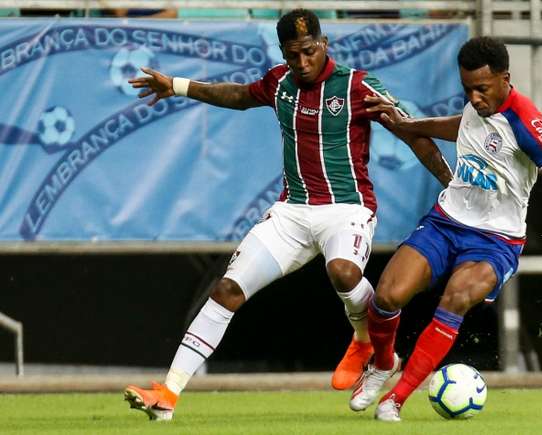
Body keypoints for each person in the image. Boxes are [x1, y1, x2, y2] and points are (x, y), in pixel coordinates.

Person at [123, 9, 451, 421]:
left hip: (347, 209)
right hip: (291, 213)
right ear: (284, 53)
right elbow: (239, 96)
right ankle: (167, 396)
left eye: (309, 52)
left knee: (344, 273)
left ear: (324, 44)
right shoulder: (280, 82)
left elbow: (410, 132)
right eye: (293, 55)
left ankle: (371, 346)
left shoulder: (357, 85)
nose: (302, 63)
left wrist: (449, 179)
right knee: (226, 289)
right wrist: (178, 85)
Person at [349, 36, 542, 422]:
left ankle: (395, 399)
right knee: (388, 296)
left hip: (496, 242)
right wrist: (407, 124)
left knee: (456, 297)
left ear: (504, 78)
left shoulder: (526, 122)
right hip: (446, 223)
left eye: (482, 89)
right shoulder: (478, 106)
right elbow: (461, 126)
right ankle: (382, 363)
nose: (475, 98)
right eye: (467, 89)